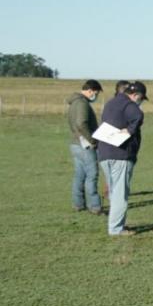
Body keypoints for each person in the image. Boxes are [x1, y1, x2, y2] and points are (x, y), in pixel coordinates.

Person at [97, 81, 148, 236]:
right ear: (136, 95)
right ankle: (116, 229)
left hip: (104, 153)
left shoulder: (110, 103)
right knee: (120, 193)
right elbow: (138, 115)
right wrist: (130, 131)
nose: (140, 102)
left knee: (114, 191)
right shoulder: (129, 105)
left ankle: (116, 224)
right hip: (121, 154)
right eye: (141, 98)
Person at [67, 79, 104, 215]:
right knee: (92, 175)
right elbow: (81, 123)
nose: (96, 96)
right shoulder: (82, 103)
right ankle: (95, 206)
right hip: (85, 145)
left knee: (79, 175)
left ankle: (78, 203)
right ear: (90, 91)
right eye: (96, 93)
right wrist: (92, 139)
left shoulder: (74, 102)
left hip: (75, 143)